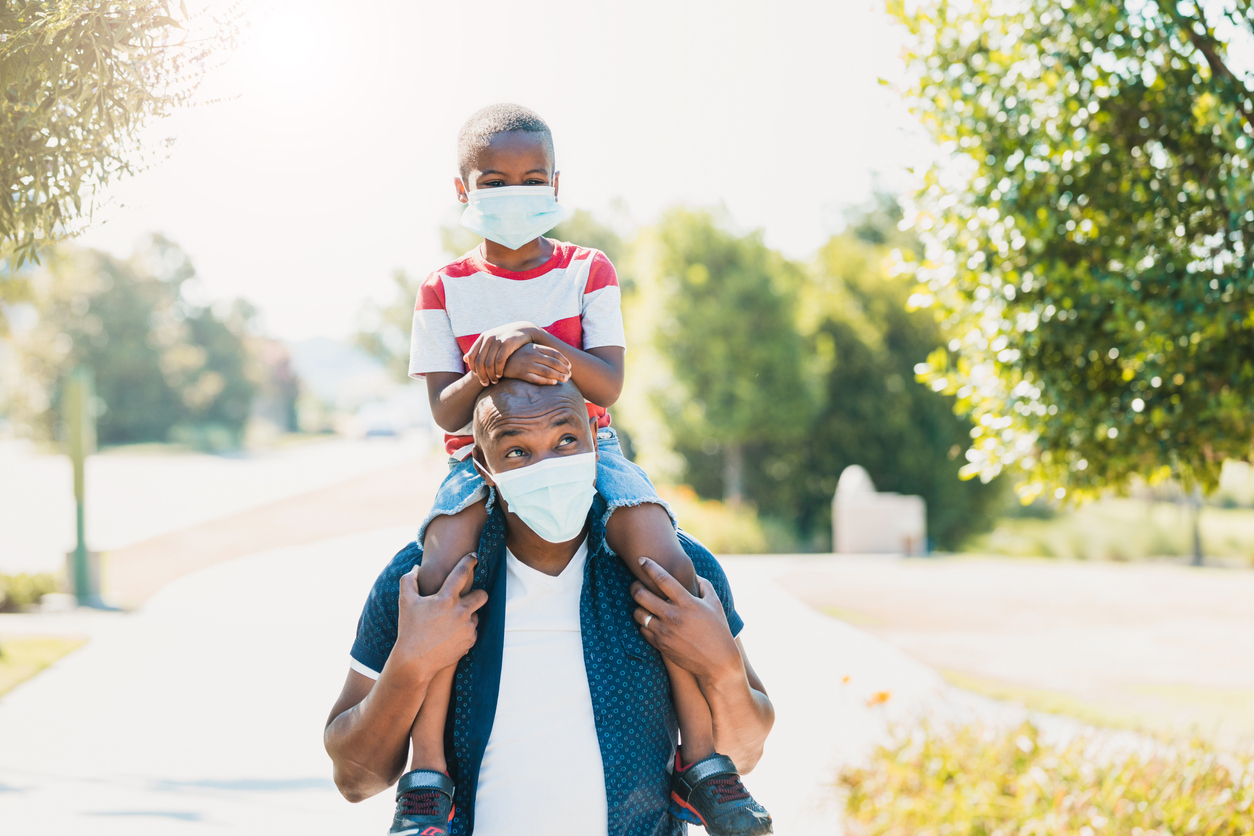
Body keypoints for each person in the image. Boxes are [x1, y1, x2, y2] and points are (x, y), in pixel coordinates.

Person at [399, 103, 771, 832]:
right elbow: (446, 413)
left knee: (660, 552)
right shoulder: (443, 287)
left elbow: (607, 385)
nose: (515, 192)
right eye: (494, 180)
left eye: (532, 177)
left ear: (557, 183)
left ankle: (701, 764)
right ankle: (428, 774)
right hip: (482, 462)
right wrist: (490, 362)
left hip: (589, 448)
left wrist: (538, 339)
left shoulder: (586, 270)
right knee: (442, 564)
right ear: (463, 190)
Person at [324, 379, 775, 836]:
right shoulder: (423, 585)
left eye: (565, 441)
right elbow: (354, 778)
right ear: (483, 466)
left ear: (595, 447)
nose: (548, 466)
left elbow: (745, 754)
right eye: (518, 451)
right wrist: (410, 665)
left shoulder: (674, 568)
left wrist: (722, 668)